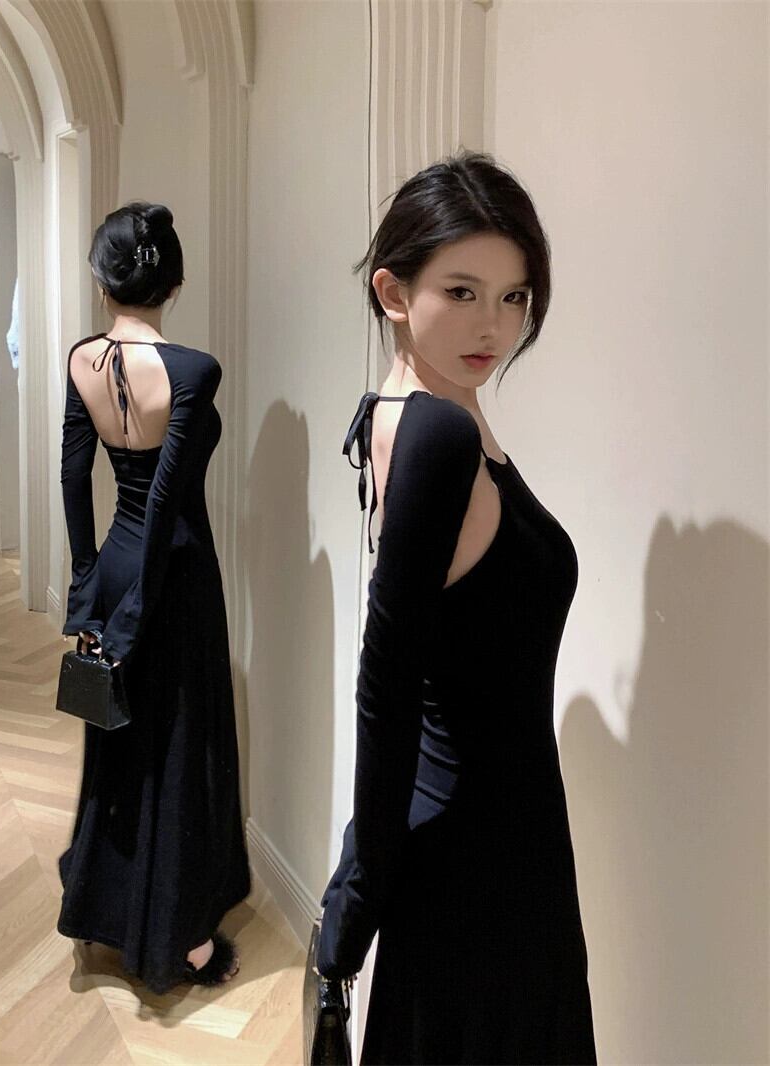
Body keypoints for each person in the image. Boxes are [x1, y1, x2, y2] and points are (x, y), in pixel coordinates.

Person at [317, 150, 597, 1064]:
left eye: (514, 297)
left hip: (477, 829)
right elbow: (386, 683)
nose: (494, 325)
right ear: (394, 292)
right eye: (463, 292)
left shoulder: (409, 409)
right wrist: (359, 891)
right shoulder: (438, 430)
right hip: (485, 849)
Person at [57, 201, 251, 993]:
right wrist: (138, 610)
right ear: (175, 282)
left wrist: (88, 594)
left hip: (116, 561)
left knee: (122, 736)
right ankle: (184, 940)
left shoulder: (82, 359)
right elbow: (168, 500)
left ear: (101, 282)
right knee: (176, 742)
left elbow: (75, 477)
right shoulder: (193, 370)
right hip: (176, 576)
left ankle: (105, 899)